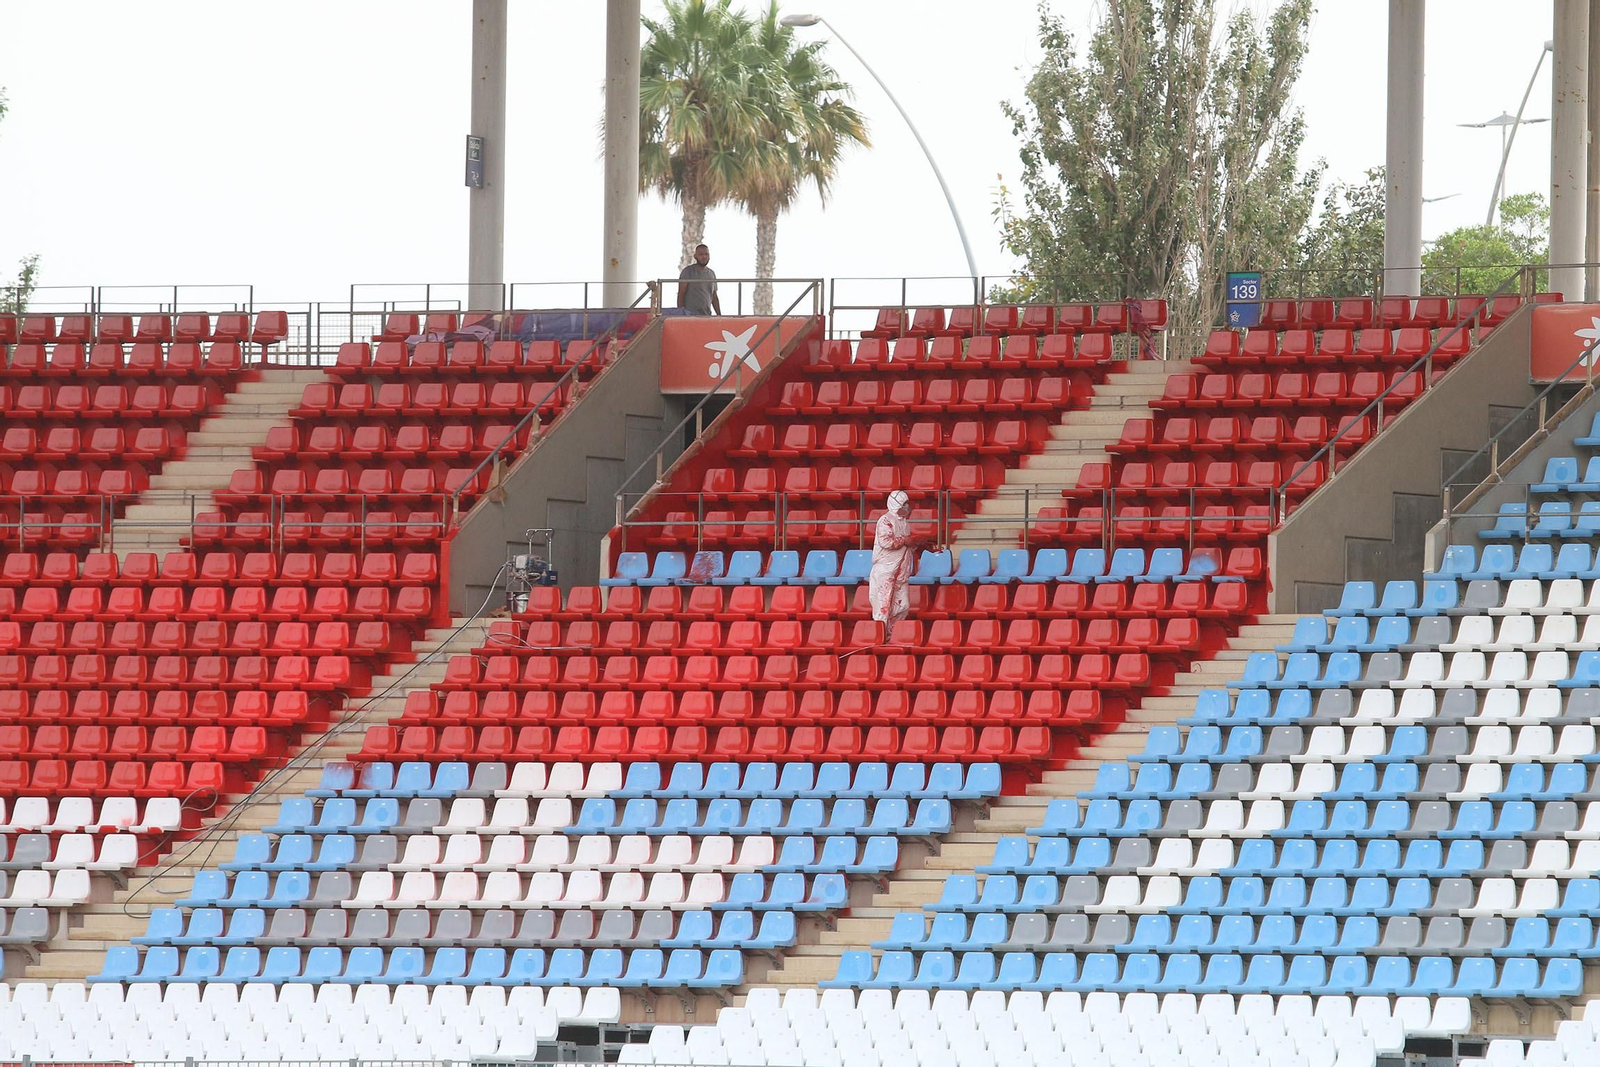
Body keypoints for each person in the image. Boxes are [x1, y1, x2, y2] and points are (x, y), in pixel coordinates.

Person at [869, 490, 926, 636]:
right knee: (883, 607)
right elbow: (885, 542)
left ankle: (892, 634)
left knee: (903, 605)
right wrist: (904, 540)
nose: (907, 507)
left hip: (901, 571)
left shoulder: (904, 523)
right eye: (904, 504)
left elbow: (907, 545)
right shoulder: (885, 520)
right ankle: (880, 637)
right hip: (886, 571)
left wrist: (918, 543)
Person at [678, 243, 722, 316]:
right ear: (695, 256)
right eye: (701, 254)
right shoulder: (688, 272)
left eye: (706, 254)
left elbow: (714, 296)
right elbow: (681, 294)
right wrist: (681, 314)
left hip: (707, 315)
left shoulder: (711, 274)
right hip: (690, 316)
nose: (704, 257)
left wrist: (719, 315)